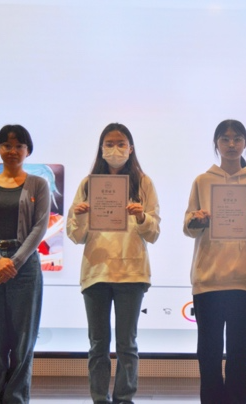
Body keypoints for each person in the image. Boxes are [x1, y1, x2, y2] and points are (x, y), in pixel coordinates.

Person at [67, 123, 160, 404]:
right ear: (101, 148)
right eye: (109, 143)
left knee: (126, 344)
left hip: (131, 273)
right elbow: (75, 236)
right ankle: (99, 398)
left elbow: (154, 233)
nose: (115, 149)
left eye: (121, 144)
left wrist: (142, 217)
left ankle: (124, 398)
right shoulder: (89, 183)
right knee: (98, 344)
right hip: (96, 271)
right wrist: (80, 215)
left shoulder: (143, 183)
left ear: (131, 149)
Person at [183, 119, 246, 404]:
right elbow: (188, 227)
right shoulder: (202, 181)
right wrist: (198, 220)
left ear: (245, 143)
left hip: (244, 279)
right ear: (216, 144)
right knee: (208, 353)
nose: (231, 144)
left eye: (237, 138)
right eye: (225, 138)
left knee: (239, 354)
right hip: (208, 279)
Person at [0, 124, 50, 403]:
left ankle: (15, 399)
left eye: (19, 146)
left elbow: (39, 227)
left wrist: (13, 262)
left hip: (24, 268)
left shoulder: (38, 184)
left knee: (22, 342)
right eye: (6, 145)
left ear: (28, 150)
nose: (12, 151)